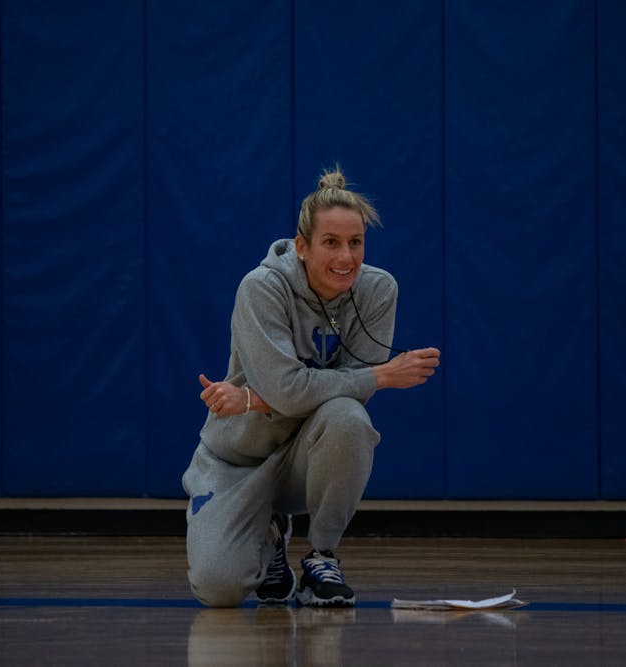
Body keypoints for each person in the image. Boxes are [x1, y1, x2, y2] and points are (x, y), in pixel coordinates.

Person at [182, 166, 441, 608]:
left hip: (303, 455)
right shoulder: (261, 288)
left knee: (347, 419)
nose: (346, 258)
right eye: (331, 243)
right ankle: (269, 537)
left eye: (355, 243)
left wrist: (255, 398)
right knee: (218, 589)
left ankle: (322, 556)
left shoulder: (379, 290)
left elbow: (337, 395)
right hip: (238, 460)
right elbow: (295, 390)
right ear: (302, 247)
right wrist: (381, 375)